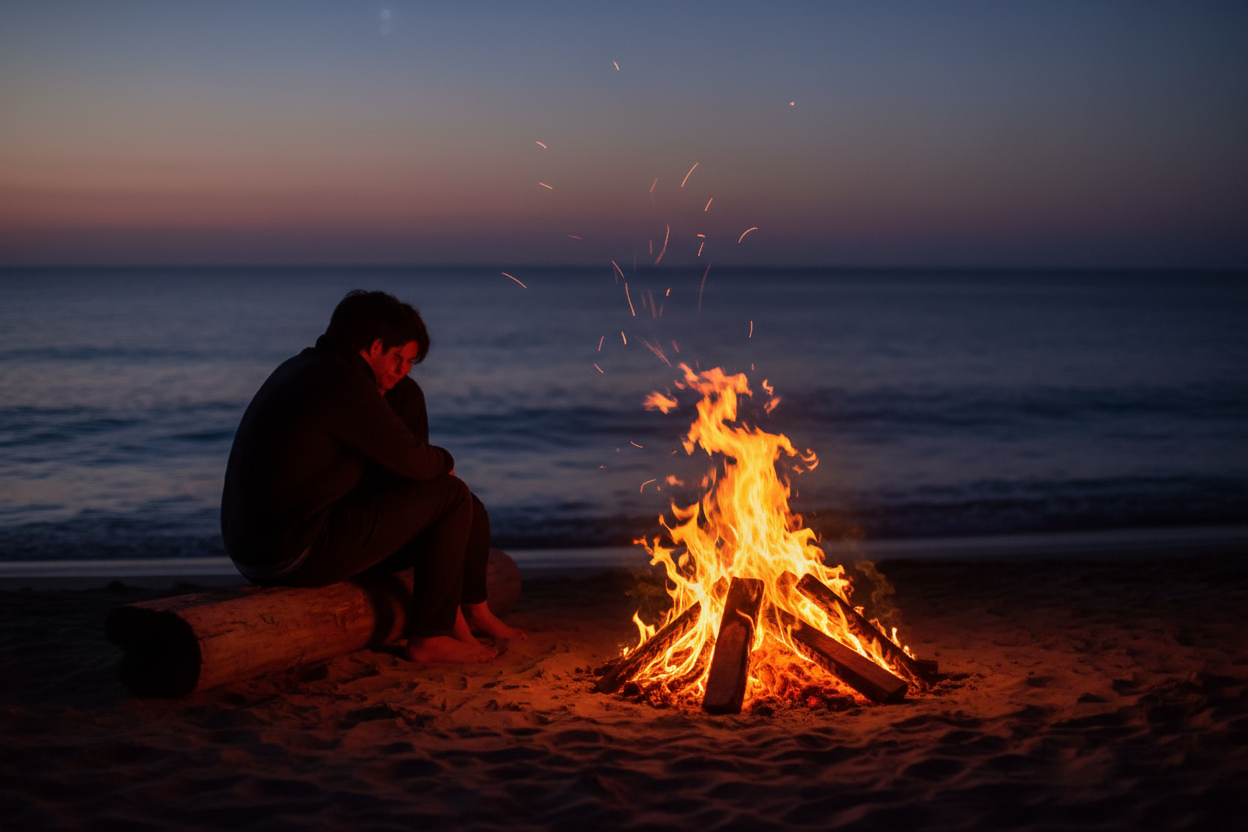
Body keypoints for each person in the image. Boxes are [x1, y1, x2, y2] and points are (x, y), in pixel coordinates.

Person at [221, 290, 523, 664]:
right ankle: (430, 636)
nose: (401, 371)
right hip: (290, 552)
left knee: (461, 504)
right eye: (398, 359)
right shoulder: (341, 384)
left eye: (410, 363)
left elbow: (410, 467)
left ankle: (472, 610)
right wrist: (445, 460)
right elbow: (416, 464)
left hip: (265, 545)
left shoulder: (310, 367)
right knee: (452, 496)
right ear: (375, 346)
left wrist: (427, 475)